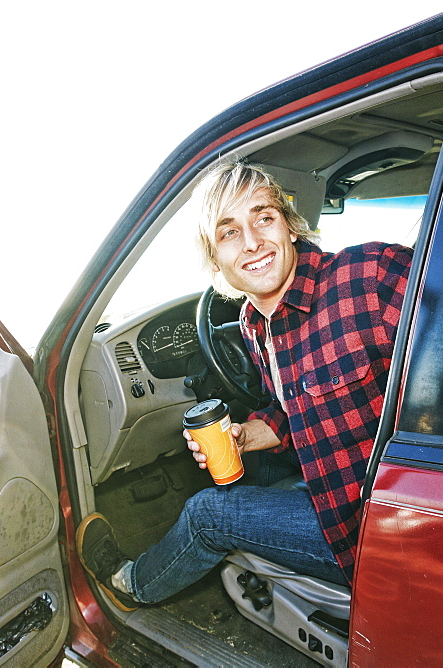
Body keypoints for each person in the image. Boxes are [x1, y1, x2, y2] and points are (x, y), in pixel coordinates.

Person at [76, 160, 412, 611]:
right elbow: (293, 409)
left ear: (291, 227)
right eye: (229, 232)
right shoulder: (255, 322)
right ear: (215, 258)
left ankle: (130, 585)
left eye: (264, 218)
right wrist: (243, 435)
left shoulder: (370, 276)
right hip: (344, 489)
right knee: (257, 471)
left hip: (382, 536)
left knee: (205, 514)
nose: (252, 242)